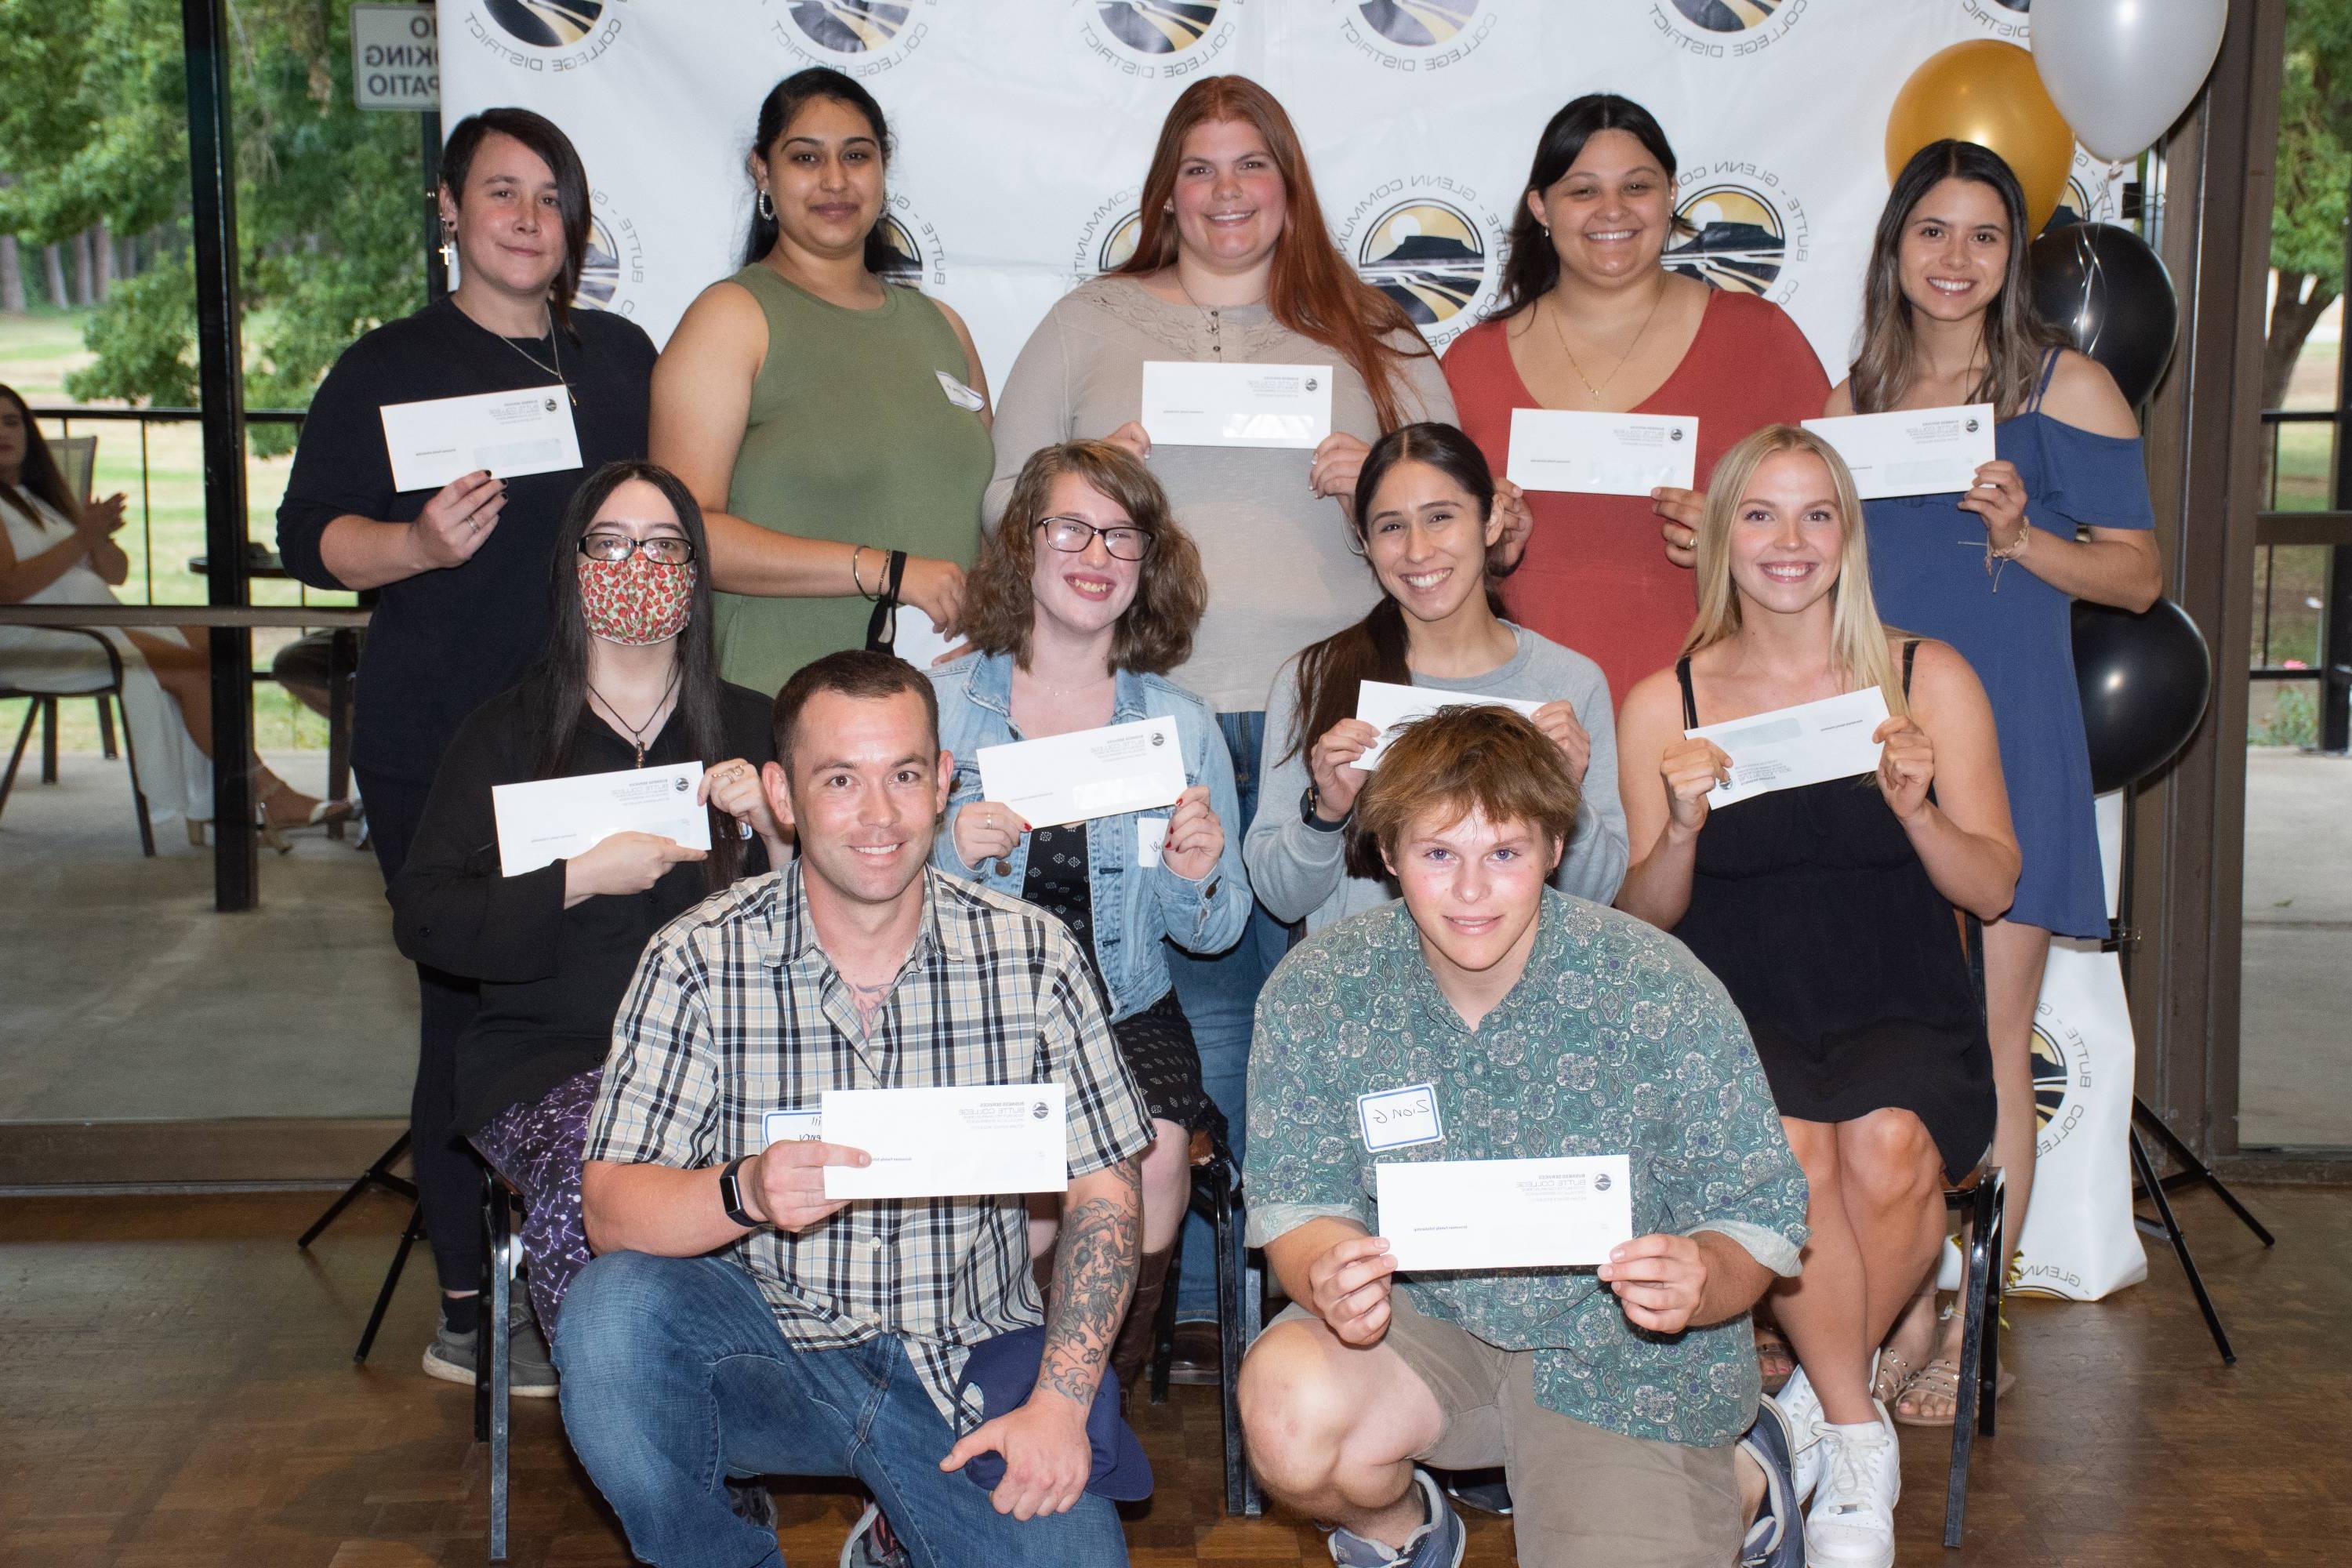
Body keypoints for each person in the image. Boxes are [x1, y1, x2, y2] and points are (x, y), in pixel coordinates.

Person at [985, 73, 1464, 1347]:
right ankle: (1191, 1317)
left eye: (1252, 164)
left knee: (1327, 1024)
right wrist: (1091, 483)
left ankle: (1314, 1303)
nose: (1227, 191)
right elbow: (1002, 515)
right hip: (1150, 720)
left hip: (1332, 721)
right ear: (1164, 190)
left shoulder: (1374, 332)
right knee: (1187, 1015)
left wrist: (1384, 478)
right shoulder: (1089, 322)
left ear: (1291, 184)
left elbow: (1468, 514)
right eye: (1199, 167)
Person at [555, 649, 1152, 1568]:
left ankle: (896, 1527)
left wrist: (1062, 1405)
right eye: (840, 779)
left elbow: (1107, 1193)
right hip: (770, 1351)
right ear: (782, 794)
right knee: (610, 1315)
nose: (879, 815)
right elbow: (609, 1210)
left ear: (944, 782)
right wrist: (743, 1190)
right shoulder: (698, 958)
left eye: (905, 775)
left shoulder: (1035, 954)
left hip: (964, 1365)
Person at [1236, 704, 1809, 1567]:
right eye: (1438, 854)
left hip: (1624, 1354)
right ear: (1387, 853)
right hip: (1421, 1323)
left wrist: (1704, 1278)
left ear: (1552, 848)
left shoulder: (1654, 983)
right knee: (1287, 1406)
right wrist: (1324, 1266)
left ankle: (1737, 1474)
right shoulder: (1320, 988)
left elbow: (1760, 1210)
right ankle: (1410, 1536)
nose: (1471, 891)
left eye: (1503, 852)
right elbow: (1298, 1202)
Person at [277, 107, 658, 1383]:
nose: (527, 217)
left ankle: (593, 1268)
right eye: (500, 191)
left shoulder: (616, 360)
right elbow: (311, 537)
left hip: (599, 741)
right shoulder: (386, 366)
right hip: (439, 743)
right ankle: (468, 1301)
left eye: (551, 195)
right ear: (450, 209)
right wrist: (417, 548)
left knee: (606, 997)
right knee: (466, 1002)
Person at [1614, 425, 2019, 1566]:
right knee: (1790, 1148)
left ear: (1849, 536)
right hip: (1740, 1012)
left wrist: (1919, 810)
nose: (1787, 544)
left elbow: (1994, 883)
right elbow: (1642, 918)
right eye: (1759, 515)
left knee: (1890, 1144)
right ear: (1721, 537)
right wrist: (1684, 826)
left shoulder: (1926, 676)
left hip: (1904, 1001)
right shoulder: (1666, 699)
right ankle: (1855, 1422)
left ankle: (1808, 1418)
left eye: (1815, 516)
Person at [1832, 140, 2162, 1426]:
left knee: (1984, 1047)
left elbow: (2138, 579)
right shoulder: (1851, 395)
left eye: (1982, 235)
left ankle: (1968, 1322)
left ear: (2010, 257)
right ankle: (1891, 1305)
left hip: (2010, 747)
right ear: (1896, 247)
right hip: (1875, 755)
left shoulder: (2066, 389)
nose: (1956, 259)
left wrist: (2028, 538)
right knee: (1880, 1056)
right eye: (1933, 232)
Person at [387, 461, 787, 1382]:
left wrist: (773, 829)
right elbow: (426, 914)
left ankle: (785, 1418)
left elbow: (848, 915)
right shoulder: (507, 735)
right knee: (600, 1198)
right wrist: (572, 877)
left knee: (835, 1188)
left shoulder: (759, 725)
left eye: (661, 545)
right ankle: (668, 1452)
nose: (635, 563)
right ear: (573, 567)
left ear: (694, 571)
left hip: (737, 1054)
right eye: (610, 543)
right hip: (552, 1055)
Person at [931, 439, 1247, 1399]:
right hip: (973, 1008)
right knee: (1025, 1177)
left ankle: (1094, 1395)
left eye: (1121, 536)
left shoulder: (1180, 725)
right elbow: (861, 886)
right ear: (1024, 544)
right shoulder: (944, 707)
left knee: (1151, 1152)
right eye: (1071, 526)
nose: (1095, 553)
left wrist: (1194, 873)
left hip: (1124, 1007)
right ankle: (994, 1387)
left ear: (1147, 565)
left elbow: (1218, 929)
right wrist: (946, 850)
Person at [1443, 93, 1831, 703]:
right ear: (1541, 206)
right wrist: (1487, 548)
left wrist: (1738, 540)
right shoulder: (1472, 365)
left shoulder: (1760, 341)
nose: (1612, 211)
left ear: (1671, 193)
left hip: (1724, 711)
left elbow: (1845, 528)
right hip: (1523, 726)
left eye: (1637, 186)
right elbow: (1424, 550)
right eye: (1583, 190)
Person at [652, 67, 994, 696]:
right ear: (762, 171)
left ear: (882, 171)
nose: (835, 180)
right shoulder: (731, 318)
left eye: (856, 156)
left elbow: (987, 524)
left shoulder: (943, 326)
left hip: (949, 712)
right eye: (806, 157)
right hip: (784, 713)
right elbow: (681, 534)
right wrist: (887, 571)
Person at [1248, 420, 1625, 935]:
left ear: (1491, 521)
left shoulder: (1570, 682)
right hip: (1362, 996)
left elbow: (1595, 899)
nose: (1418, 551)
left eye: (1440, 517)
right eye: (1391, 526)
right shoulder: (1313, 680)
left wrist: (1570, 796)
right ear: (1365, 540)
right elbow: (1280, 898)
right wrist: (1327, 813)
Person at [1, 384, 341, 843]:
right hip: (39, 635)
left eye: (11, 421)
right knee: (190, 671)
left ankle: (227, 790)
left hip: (94, 620)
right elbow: (9, 588)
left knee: (212, 638)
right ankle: (267, 795)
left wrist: (95, 536)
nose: (4, 432)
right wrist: (81, 538)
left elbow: (116, 573)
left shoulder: (40, 496)